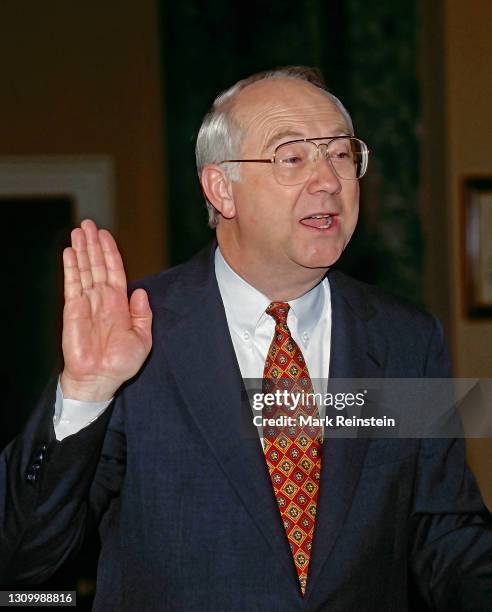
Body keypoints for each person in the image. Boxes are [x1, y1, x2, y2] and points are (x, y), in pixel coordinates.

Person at [1, 66, 491, 611]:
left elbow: (445, 533)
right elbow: (26, 561)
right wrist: (87, 392)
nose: (328, 178)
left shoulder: (407, 337)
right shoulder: (137, 332)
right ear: (221, 189)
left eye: (341, 154)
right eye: (292, 156)